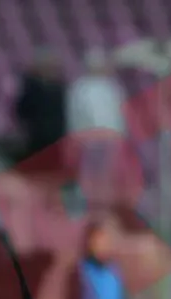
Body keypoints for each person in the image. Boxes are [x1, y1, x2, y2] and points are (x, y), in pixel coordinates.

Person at [66, 48, 125, 206]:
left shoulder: (112, 87)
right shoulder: (81, 87)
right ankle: (85, 199)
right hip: (89, 136)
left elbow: (118, 112)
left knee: (107, 169)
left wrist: (120, 132)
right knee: (88, 169)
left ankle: (103, 200)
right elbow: (76, 114)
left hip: (110, 135)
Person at [14, 48, 68, 177]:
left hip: (57, 138)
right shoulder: (30, 88)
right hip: (38, 138)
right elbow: (22, 111)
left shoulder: (60, 88)